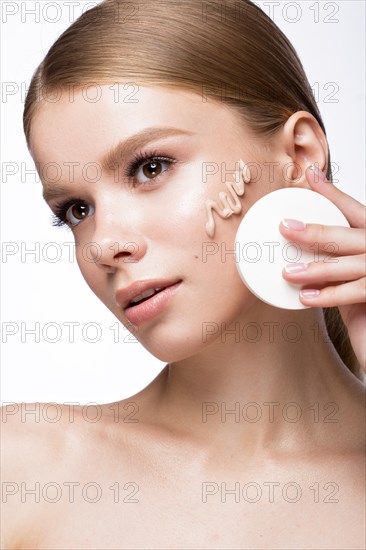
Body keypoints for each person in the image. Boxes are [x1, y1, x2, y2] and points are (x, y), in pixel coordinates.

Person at [2, 0, 365, 548]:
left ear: (298, 154)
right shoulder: (26, 469)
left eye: (150, 167)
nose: (104, 244)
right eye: (77, 209)